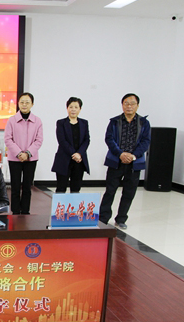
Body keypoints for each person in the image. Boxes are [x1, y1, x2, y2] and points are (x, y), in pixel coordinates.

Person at [99, 93, 151, 230]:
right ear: (122, 105)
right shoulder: (114, 121)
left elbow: (146, 141)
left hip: (134, 163)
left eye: (132, 103)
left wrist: (133, 156)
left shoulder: (144, 123)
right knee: (110, 191)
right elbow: (109, 139)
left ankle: (121, 218)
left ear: (137, 106)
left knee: (129, 192)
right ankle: (103, 218)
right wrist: (121, 154)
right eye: (126, 103)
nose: (129, 106)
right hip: (116, 161)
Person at [3, 92, 43, 214]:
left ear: (32, 104)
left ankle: (25, 211)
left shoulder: (37, 121)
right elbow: (7, 139)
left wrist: (28, 154)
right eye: (22, 102)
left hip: (31, 159)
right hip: (15, 159)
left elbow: (39, 140)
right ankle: (15, 211)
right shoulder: (12, 120)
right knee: (15, 187)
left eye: (27, 102)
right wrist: (19, 153)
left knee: (27, 187)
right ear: (18, 103)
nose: (24, 105)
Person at [51, 97, 90, 193]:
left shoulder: (84, 123)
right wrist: (74, 154)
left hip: (79, 161)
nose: (73, 109)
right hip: (64, 159)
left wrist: (79, 153)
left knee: (76, 189)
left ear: (80, 109)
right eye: (71, 107)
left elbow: (86, 140)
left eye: (76, 107)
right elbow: (62, 141)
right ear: (67, 108)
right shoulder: (61, 123)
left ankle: (74, 204)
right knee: (61, 188)